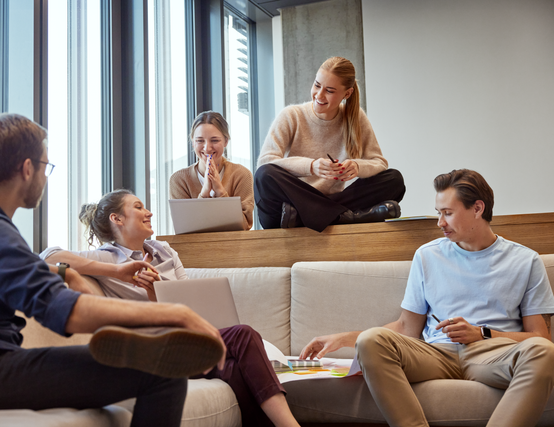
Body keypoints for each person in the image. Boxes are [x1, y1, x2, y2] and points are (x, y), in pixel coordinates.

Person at [0, 114, 226, 426]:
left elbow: (14, 269)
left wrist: (78, 273)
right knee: (163, 370)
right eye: (45, 166)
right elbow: (65, 311)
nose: (45, 177)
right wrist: (175, 314)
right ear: (26, 168)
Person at [300, 169, 554, 427]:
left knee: (544, 351)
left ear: (478, 208)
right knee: (371, 341)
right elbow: (406, 328)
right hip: (435, 353)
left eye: (448, 213)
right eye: (438, 213)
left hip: (492, 355)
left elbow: (539, 337)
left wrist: (482, 334)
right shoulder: (427, 255)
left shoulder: (525, 260)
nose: (440, 223)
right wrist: (345, 338)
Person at [41, 188, 301, 427]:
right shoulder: (107, 256)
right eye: (139, 207)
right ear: (117, 219)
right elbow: (47, 257)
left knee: (235, 370)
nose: (149, 212)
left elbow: (188, 301)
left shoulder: (165, 251)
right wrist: (117, 271)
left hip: (191, 339)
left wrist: (157, 292)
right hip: (158, 347)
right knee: (243, 334)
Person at [255, 56, 406, 232]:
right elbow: (266, 161)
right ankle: (342, 216)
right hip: (290, 202)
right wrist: (310, 166)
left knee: (394, 179)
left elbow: (379, 163)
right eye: (317, 85)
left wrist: (357, 167)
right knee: (264, 175)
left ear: (347, 93)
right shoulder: (291, 115)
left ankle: (317, 216)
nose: (319, 95)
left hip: (296, 213)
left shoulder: (356, 117)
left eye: (330, 90)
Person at [169, 111, 254, 230]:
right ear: (193, 142)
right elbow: (184, 229)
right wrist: (204, 194)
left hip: (234, 246)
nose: (207, 148)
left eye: (214, 140)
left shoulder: (241, 175)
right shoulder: (179, 180)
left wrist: (220, 191)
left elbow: (245, 225)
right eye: (199, 141)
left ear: (226, 141)